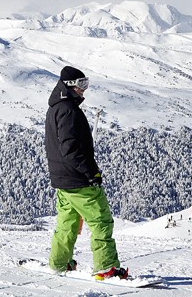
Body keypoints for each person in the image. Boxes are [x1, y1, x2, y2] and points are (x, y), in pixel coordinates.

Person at [44, 66, 126, 281]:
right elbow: (71, 149)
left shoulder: (56, 108)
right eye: (81, 85)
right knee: (101, 221)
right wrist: (91, 172)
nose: (84, 90)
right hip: (78, 179)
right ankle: (106, 267)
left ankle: (59, 262)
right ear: (70, 85)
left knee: (67, 223)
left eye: (86, 84)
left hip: (62, 179)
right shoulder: (68, 111)